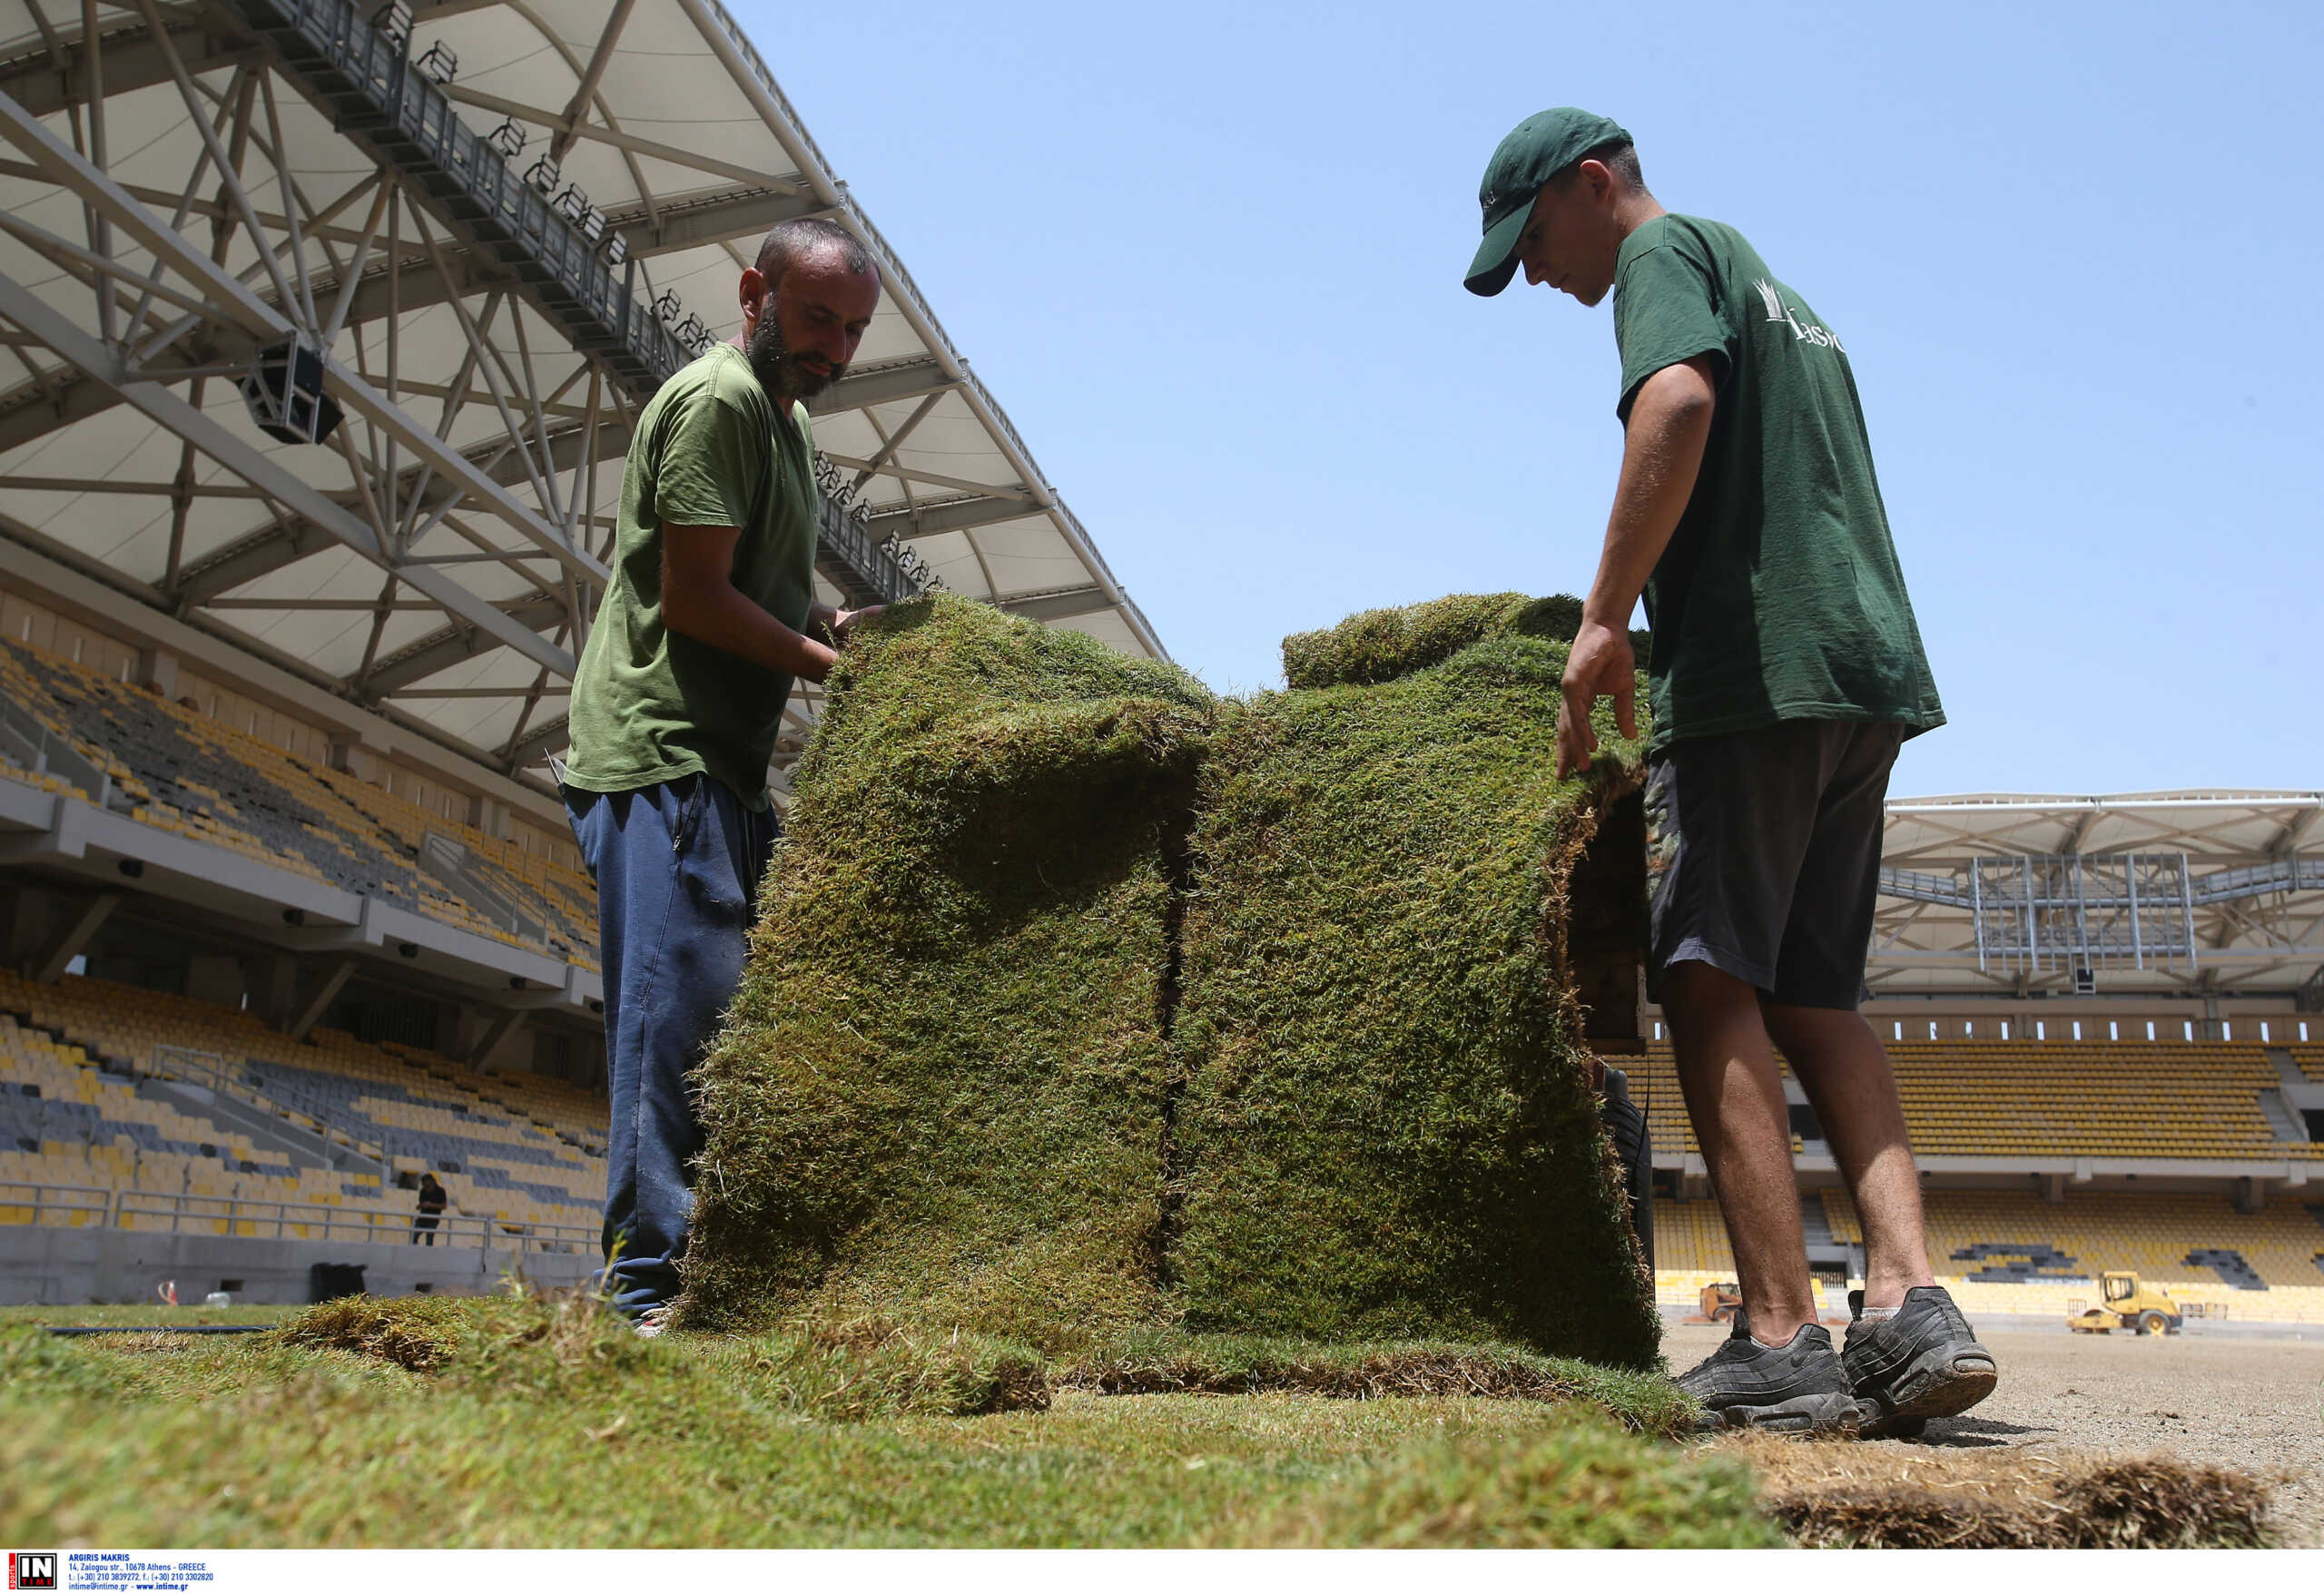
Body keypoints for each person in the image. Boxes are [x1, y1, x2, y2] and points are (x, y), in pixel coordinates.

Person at [1462, 110, 1995, 1437]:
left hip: (1760, 673)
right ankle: (1908, 1301)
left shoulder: (1662, 258)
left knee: (1706, 980)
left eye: (1531, 239)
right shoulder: (1774, 281)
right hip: (1861, 669)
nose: (1535, 273)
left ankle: (1775, 1333)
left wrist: (1603, 615)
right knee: (1819, 998)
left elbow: (1680, 402)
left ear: (1595, 188)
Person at [561, 218, 885, 1334]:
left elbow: (764, 569)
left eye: (851, 332)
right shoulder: (719, 404)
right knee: (671, 1027)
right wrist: (834, 666)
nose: (834, 350)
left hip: (727, 776)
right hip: (662, 755)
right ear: (754, 292)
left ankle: (700, 1276)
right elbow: (696, 596)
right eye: (815, 320)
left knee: (727, 1032)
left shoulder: (785, 425)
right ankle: (646, 1295)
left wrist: (833, 617)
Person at [410, 1171, 448, 1245]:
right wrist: (421, 1205)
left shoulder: (440, 1191)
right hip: (422, 1218)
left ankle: (428, 1255)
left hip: (433, 1219)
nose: (423, 1185)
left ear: (431, 1181)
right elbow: (420, 1205)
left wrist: (430, 1205)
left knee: (429, 1240)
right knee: (413, 1237)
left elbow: (444, 1206)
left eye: (424, 1183)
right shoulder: (423, 1191)